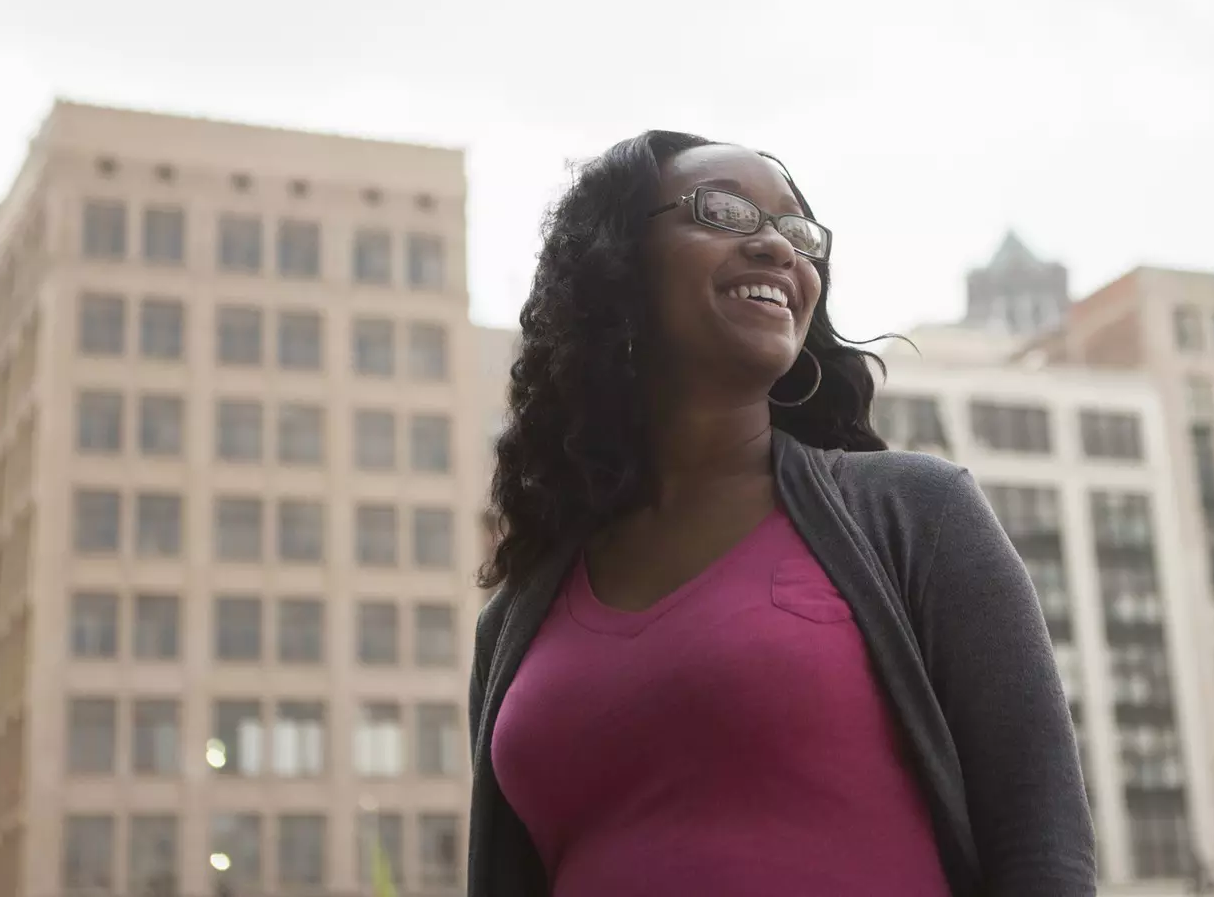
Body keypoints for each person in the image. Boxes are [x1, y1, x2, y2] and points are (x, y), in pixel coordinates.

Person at [468, 130, 1096, 897]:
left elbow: (1044, 849)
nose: (776, 247)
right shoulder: (514, 623)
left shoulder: (918, 515)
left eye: (797, 232)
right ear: (618, 266)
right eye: (724, 211)